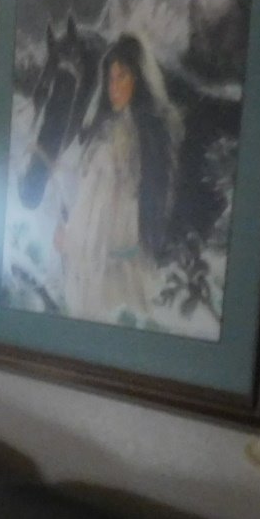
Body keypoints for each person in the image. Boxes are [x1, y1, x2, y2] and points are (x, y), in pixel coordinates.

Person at [55, 33, 181, 324]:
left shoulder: (140, 137)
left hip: (114, 261)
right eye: (110, 79)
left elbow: (118, 209)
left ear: (138, 79)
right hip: (88, 258)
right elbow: (87, 197)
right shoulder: (103, 129)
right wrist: (70, 236)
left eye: (121, 77)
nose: (113, 87)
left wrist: (77, 242)